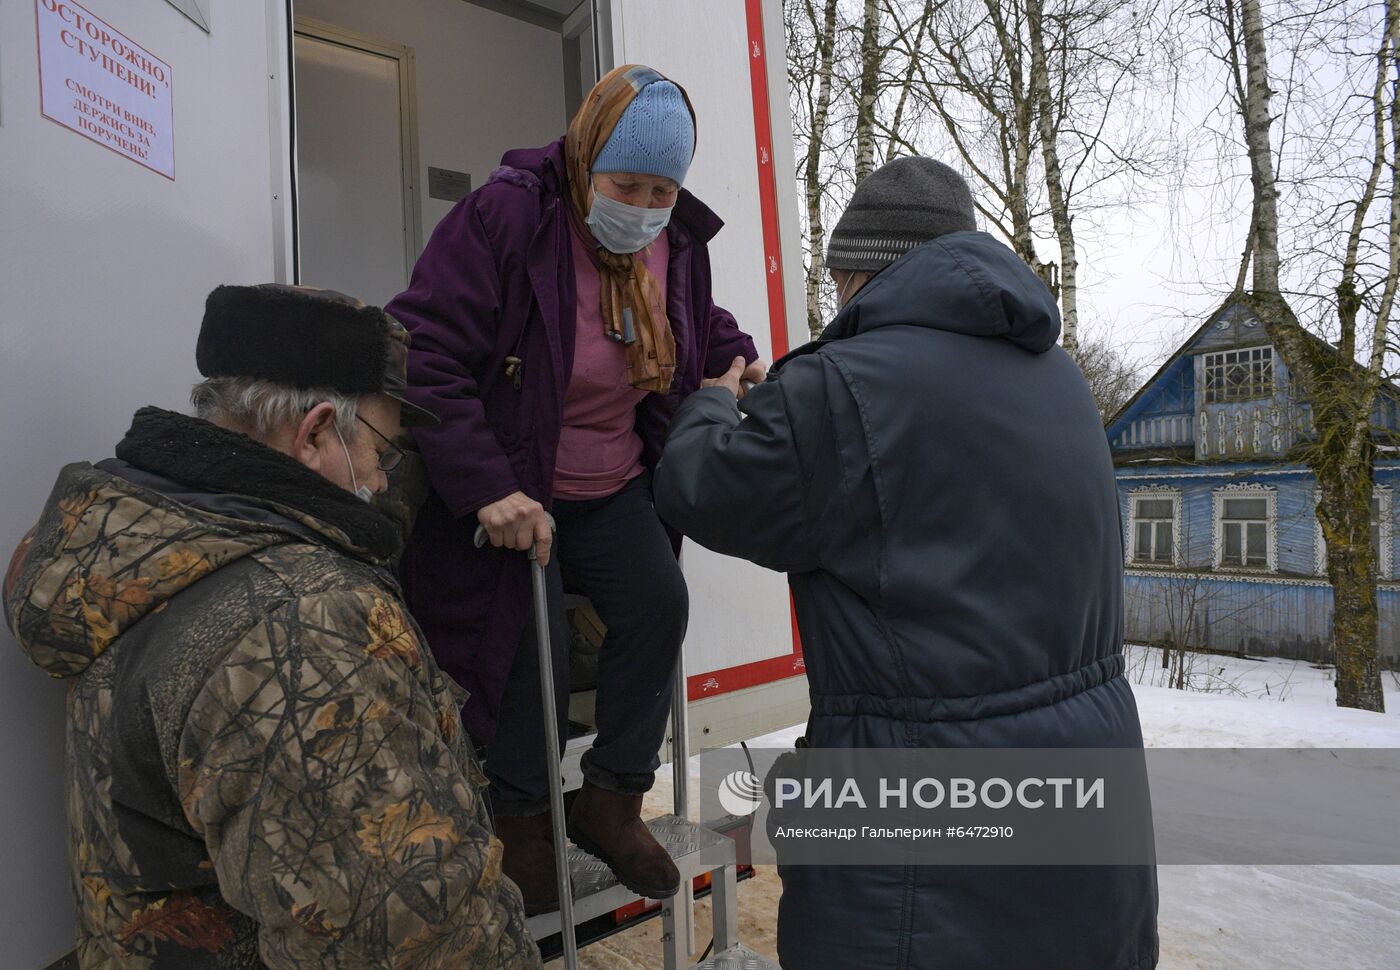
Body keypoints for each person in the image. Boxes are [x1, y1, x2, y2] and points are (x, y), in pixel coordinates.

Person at [653, 157, 1159, 969]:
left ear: (858, 274)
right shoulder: (1060, 379)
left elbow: (702, 487)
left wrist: (713, 398)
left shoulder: (844, 387)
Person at [4, 285, 540, 969]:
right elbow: (401, 939)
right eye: (382, 449)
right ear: (316, 432)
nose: (381, 477)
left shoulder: (145, 548)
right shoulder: (305, 622)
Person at [385, 64, 764, 912]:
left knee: (658, 603)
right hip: (519, 484)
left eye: (663, 190)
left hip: (613, 480)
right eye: (627, 184)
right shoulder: (505, 218)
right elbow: (423, 348)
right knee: (532, 637)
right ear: (586, 160)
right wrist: (485, 487)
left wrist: (738, 360)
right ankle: (519, 819)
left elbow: (698, 323)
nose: (644, 205)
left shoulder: (674, 240)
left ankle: (611, 798)